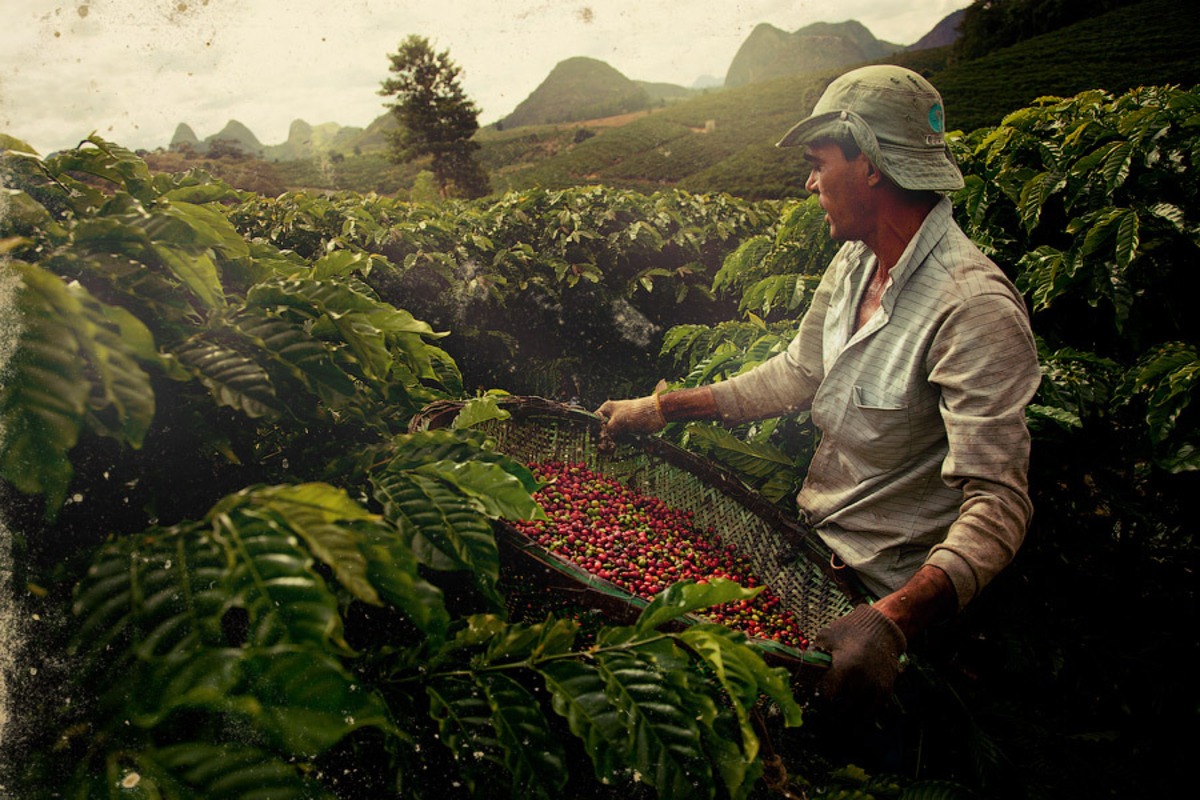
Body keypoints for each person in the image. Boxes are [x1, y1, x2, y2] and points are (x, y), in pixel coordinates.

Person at [596, 64, 1041, 714]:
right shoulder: (854, 263)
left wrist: (892, 621)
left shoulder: (973, 309)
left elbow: (998, 502)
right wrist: (663, 408)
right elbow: (797, 373)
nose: (809, 183)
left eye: (818, 162)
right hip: (808, 552)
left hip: (875, 603)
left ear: (871, 165)